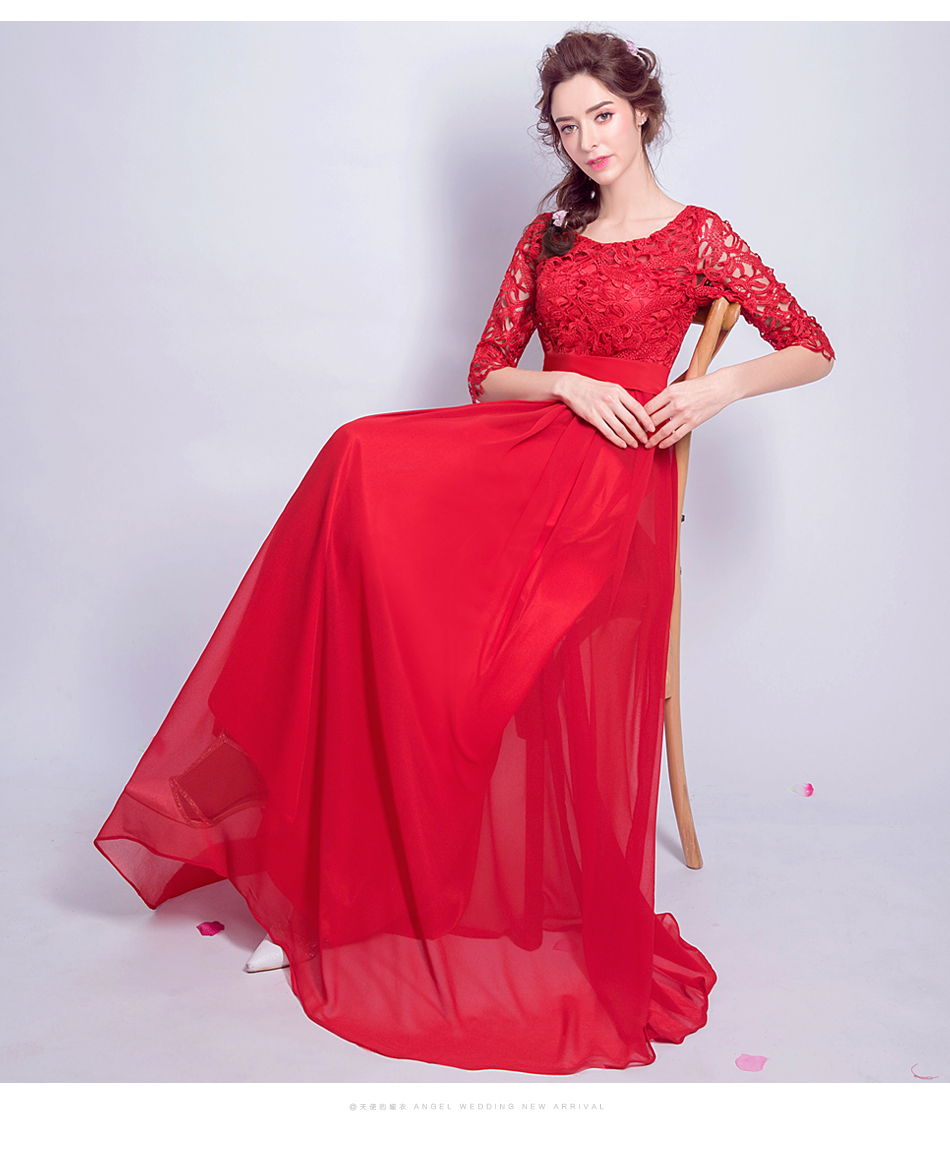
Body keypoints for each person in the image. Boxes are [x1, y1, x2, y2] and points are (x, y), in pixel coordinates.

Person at [95, 29, 834, 1075]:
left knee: (455, 655)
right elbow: (485, 372)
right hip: (525, 447)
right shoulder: (550, 237)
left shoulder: (698, 236)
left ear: (642, 113)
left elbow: (809, 345)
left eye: (604, 117)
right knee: (357, 466)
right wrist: (566, 382)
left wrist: (713, 388)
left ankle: (347, 888)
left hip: (611, 484)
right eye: (568, 127)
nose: (589, 142)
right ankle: (315, 885)